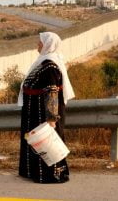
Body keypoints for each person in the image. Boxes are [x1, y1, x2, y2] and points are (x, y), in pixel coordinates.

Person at [17, 32, 75, 184]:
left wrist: (51, 119)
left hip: (43, 114)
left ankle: (51, 175)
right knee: (34, 142)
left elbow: (52, 92)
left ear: (47, 45)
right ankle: (31, 171)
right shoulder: (42, 62)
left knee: (47, 143)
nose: (38, 45)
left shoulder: (50, 66)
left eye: (40, 43)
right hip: (34, 113)